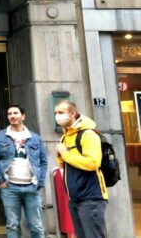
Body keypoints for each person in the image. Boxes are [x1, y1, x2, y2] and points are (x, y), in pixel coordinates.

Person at [0, 105, 47, 238]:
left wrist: (40, 181)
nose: (12, 116)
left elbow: (43, 160)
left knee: (36, 225)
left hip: (31, 186)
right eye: (9, 114)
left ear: (23, 116)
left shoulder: (34, 137)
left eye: (15, 113)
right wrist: (0, 180)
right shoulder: (0, 136)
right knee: (12, 225)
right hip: (10, 187)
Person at [54, 100, 108, 238]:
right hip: (74, 198)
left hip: (91, 197)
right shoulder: (65, 136)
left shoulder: (87, 134)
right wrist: (61, 157)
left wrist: (65, 154)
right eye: (56, 113)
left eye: (60, 112)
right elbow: (64, 166)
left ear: (72, 113)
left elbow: (92, 163)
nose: (57, 116)